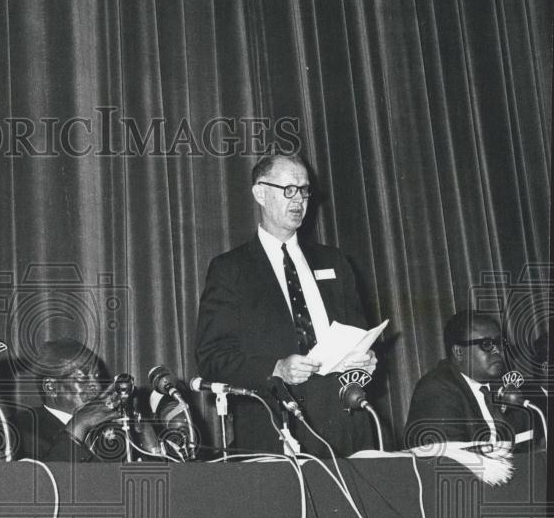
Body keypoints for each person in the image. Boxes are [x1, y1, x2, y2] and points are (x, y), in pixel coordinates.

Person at [194, 153, 378, 457]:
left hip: (346, 423)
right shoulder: (231, 269)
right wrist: (276, 368)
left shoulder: (334, 261)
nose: (299, 200)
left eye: (304, 190)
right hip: (276, 427)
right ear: (260, 193)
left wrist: (367, 359)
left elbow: (358, 336)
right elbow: (212, 357)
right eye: (288, 189)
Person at [404, 310, 538, 451]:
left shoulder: (507, 385)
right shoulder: (436, 391)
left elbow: (528, 449)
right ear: (459, 352)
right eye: (486, 344)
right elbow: (453, 462)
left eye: (499, 343)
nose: (498, 351)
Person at [10, 338, 106, 460]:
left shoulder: (106, 426)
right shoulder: (21, 430)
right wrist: (79, 424)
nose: (97, 387)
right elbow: (42, 477)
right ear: (51, 387)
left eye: (97, 376)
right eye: (82, 378)